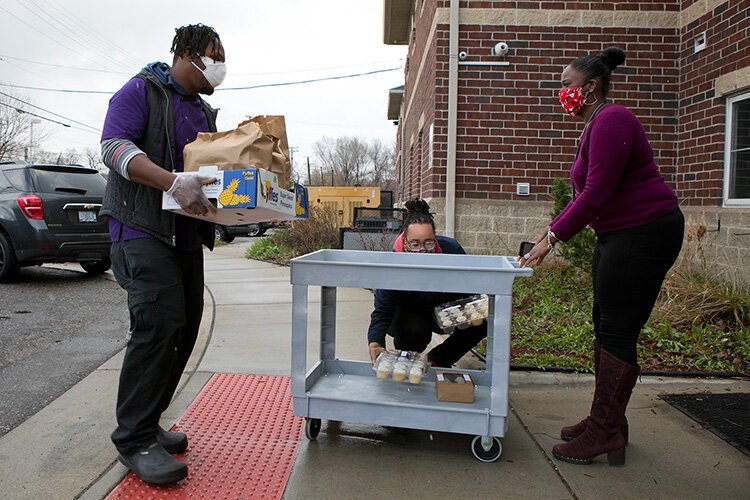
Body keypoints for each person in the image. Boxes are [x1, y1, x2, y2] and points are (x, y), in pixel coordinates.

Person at [519, 47, 684, 466]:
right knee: (604, 323)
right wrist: (549, 228)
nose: (562, 94)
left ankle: (604, 430)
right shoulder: (596, 123)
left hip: (643, 232)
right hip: (620, 235)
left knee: (617, 329)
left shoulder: (612, 119)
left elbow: (597, 192)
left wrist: (552, 239)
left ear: (590, 87)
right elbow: (587, 193)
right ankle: (606, 421)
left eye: (566, 85)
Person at [99, 24, 226, 485]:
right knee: (159, 325)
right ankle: (133, 440)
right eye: (216, 55)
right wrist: (170, 180)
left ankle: (148, 420)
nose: (221, 64)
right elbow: (114, 148)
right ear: (190, 55)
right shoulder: (141, 91)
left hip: (185, 239)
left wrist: (246, 209)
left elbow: (209, 181)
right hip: (140, 231)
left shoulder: (203, 112)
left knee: (185, 328)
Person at [367, 198, 487, 368]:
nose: (422, 249)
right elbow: (382, 311)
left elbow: (469, 287)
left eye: (428, 243)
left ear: (435, 239)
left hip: (441, 311)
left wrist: (472, 309)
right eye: (415, 244)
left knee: (481, 321)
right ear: (406, 242)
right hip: (407, 316)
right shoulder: (393, 264)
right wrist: (375, 343)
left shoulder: (452, 251)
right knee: (414, 330)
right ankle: (407, 361)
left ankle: (436, 360)